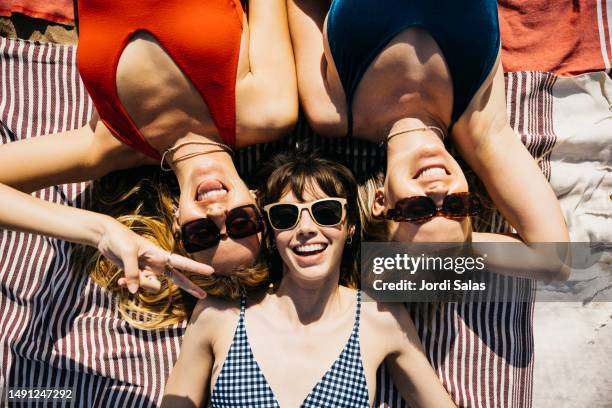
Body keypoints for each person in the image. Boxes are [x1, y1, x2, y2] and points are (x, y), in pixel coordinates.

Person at [0, 0, 298, 314]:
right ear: (256, 203)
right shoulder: (268, 112)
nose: (217, 214)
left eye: (203, 235)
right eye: (240, 223)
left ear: (177, 225)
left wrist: (101, 231)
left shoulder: (112, 144)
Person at [161, 152, 457, 408]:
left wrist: (431, 242)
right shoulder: (219, 315)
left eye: (326, 212)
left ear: (350, 225)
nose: (306, 228)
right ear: (271, 232)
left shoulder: (379, 318)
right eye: (286, 216)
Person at [287, 0, 569, 257]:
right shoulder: (479, 125)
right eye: (456, 207)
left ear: (381, 202)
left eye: (418, 210)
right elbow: (554, 258)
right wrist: (456, 248)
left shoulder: (333, 112)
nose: (438, 191)